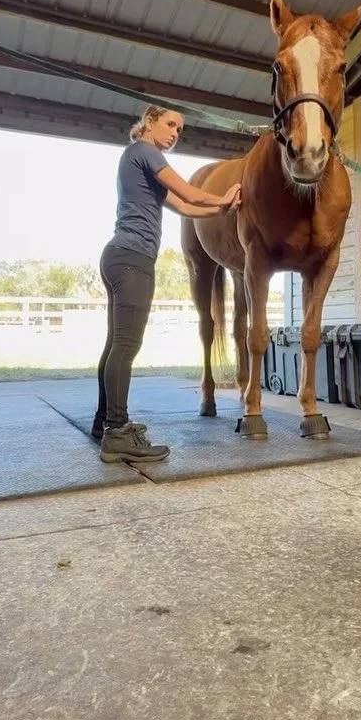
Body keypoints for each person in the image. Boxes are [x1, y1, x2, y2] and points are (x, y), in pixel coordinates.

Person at [93, 105, 241, 464]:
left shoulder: (139, 162)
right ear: (149, 121)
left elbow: (185, 207)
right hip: (132, 258)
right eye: (170, 123)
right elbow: (190, 193)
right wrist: (222, 197)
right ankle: (117, 432)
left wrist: (221, 210)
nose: (175, 132)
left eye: (180, 129)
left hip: (119, 256)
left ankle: (105, 423)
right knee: (126, 346)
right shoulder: (145, 152)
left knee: (116, 344)